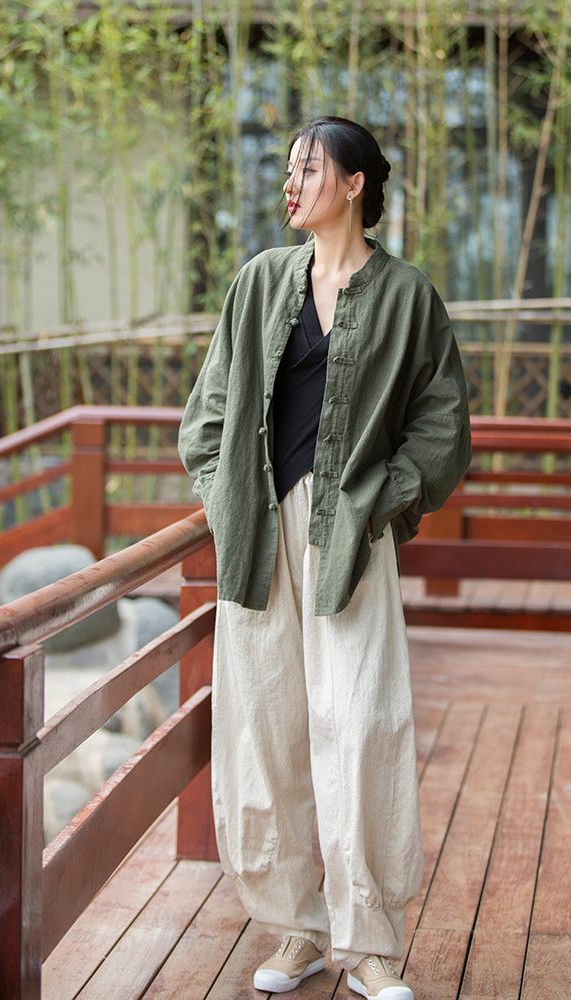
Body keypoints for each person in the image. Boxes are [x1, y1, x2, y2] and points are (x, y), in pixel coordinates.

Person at [178, 116, 471, 1000]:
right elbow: (209, 413)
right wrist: (227, 500)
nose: (291, 184)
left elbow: (443, 425)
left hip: (350, 535)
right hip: (259, 537)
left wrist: (384, 502)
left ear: (354, 184)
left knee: (363, 724)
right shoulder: (260, 281)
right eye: (288, 170)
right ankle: (296, 928)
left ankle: (369, 942)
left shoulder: (408, 295)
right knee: (266, 733)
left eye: (309, 169)